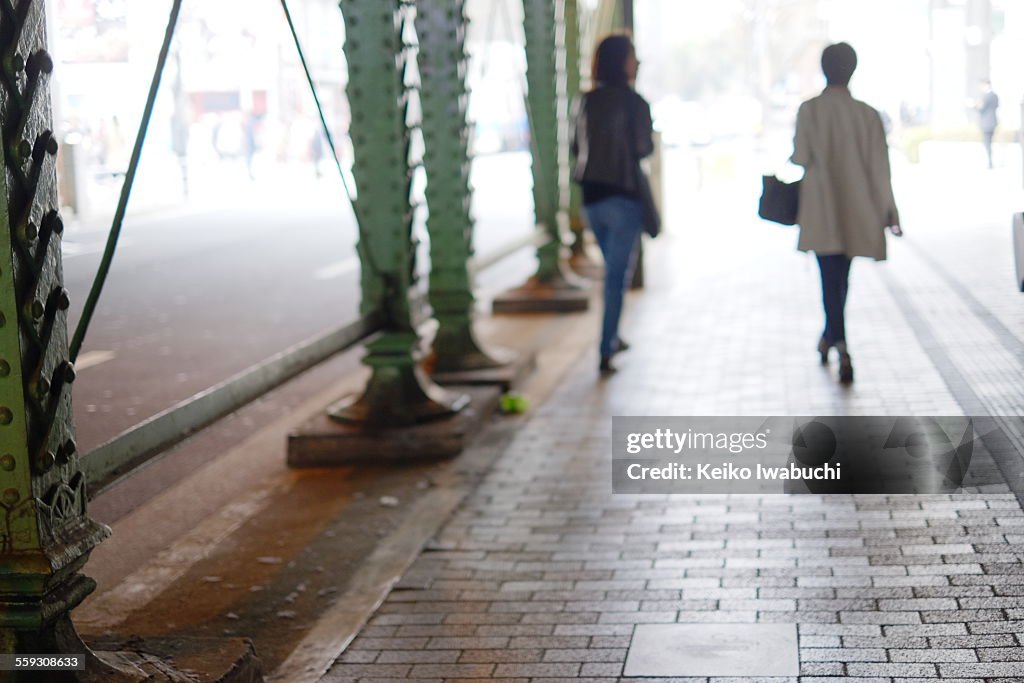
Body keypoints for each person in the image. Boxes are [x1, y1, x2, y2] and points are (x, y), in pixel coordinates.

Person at [792, 42, 902, 384]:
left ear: (825, 70)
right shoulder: (867, 115)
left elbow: (800, 156)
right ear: (852, 70)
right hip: (857, 210)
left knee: (830, 279)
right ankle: (835, 340)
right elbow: (880, 170)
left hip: (823, 209)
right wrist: (890, 212)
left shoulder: (809, 111)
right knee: (842, 279)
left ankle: (835, 341)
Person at [571, 33, 653, 375]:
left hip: (591, 199)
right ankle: (606, 348)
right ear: (622, 62)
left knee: (612, 273)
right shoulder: (634, 102)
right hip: (623, 197)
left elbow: (574, 147)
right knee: (616, 278)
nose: (636, 63)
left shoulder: (584, 100)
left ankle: (613, 338)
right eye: (632, 57)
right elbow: (643, 148)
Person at [975, 80, 999, 169]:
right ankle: (990, 161)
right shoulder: (995, 96)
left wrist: (973, 106)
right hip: (993, 121)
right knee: (989, 142)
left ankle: (990, 162)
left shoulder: (986, 97)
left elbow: (981, 109)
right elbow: (997, 106)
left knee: (987, 143)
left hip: (987, 123)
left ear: (987, 85)